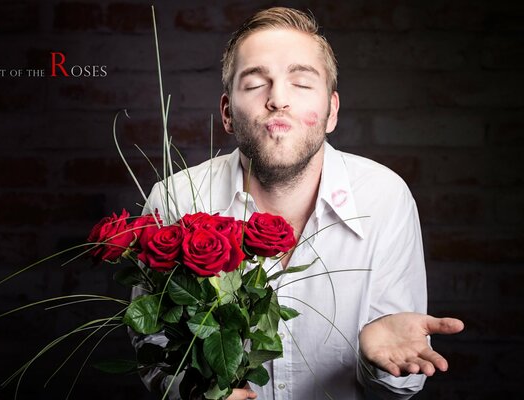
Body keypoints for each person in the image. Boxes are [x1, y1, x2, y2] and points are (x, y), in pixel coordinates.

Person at [136, 7, 464, 400]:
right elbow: (153, 351)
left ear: (332, 112)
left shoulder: (384, 198)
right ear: (227, 113)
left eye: (302, 83)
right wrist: (190, 393)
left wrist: (380, 363)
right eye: (256, 83)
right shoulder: (174, 200)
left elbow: (401, 384)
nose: (278, 100)